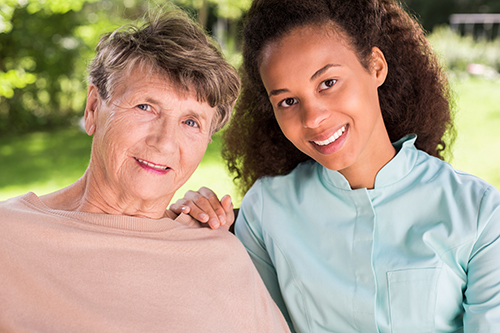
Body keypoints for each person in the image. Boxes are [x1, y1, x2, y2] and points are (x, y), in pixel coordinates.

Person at [170, 0, 500, 331]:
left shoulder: (480, 214)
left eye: (328, 83)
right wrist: (201, 235)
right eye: (288, 101)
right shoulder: (265, 212)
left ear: (375, 67)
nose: (313, 118)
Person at [0, 10, 291, 332]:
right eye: (145, 107)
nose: (165, 143)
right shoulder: (8, 237)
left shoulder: (220, 255)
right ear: (94, 108)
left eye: (191, 122)